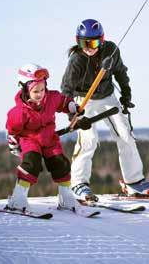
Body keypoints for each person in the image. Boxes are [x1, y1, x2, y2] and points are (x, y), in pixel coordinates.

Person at [61, 19, 149, 202]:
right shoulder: (77, 60)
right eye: (83, 43)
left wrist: (126, 95)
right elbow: (66, 89)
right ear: (78, 42)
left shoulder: (111, 51)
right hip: (83, 99)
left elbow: (121, 72)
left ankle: (133, 181)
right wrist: (72, 114)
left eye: (93, 43)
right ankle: (79, 183)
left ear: (101, 40)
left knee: (125, 135)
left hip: (106, 97)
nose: (88, 47)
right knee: (89, 140)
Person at [5, 63, 90, 212]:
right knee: (31, 165)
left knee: (61, 163)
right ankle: (18, 199)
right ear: (25, 89)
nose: (40, 94)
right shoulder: (19, 112)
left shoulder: (51, 98)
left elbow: (63, 102)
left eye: (43, 89)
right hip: (30, 141)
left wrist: (72, 107)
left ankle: (66, 199)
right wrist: (13, 143)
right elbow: (12, 129)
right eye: (35, 91)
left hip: (50, 139)